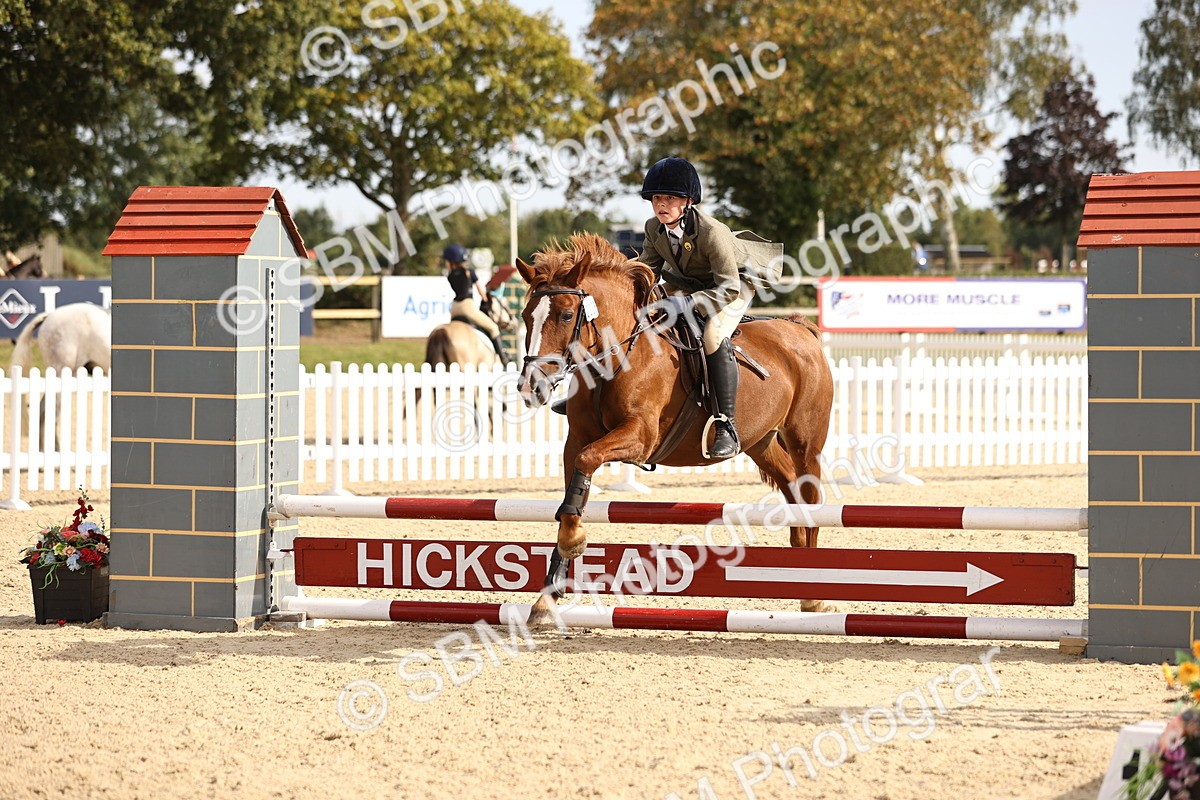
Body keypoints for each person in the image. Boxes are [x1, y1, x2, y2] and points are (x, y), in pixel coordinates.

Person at [638, 156, 748, 460]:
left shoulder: (713, 232)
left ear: (688, 201)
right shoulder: (653, 228)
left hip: (730, 289)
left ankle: (727, 426)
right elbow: (645, 272)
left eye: (669, 198)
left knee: (712, 336)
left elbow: (729, 287)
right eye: (656, 198)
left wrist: (688, 303)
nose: (661, 204)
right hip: (687, 286)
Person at [443, 244, 509, 365]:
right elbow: (480, 289)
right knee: (493, 328)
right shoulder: (470, 272)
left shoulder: (450, 276)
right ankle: (503, 357)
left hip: (454, 308)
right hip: (467, 307)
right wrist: (485, 300)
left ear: (451, 261)